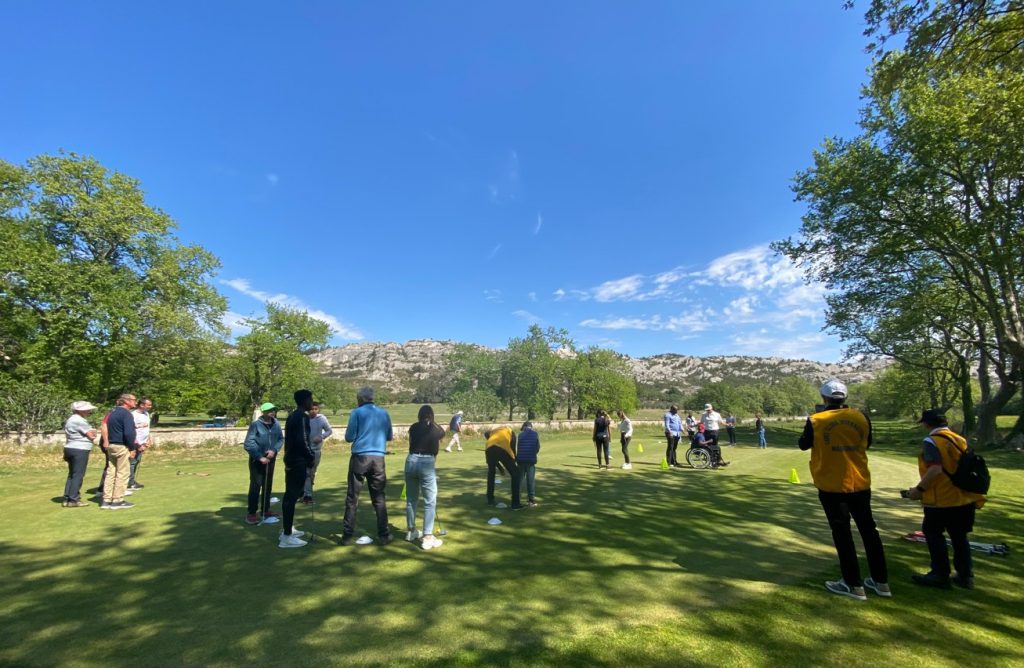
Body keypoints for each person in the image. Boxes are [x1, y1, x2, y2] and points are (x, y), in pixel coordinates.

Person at [799, 379, 889, 601]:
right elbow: (867, 443)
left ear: (824, 398)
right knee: (869, 531)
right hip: (860, 482)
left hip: (832, 484)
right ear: (845, 398)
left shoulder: (816, 420)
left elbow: (803, 444)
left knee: (842, 533)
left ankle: (854, 585)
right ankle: (882, 583)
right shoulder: (861, 417)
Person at [907, 410, 986, 589]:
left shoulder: (931, 441)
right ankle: (965, 576)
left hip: (941, 498)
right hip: (963, 497)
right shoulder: (959, 439)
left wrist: (919, 490)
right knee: (959, 537)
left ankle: (939, 574)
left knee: (933, 533)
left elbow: (935, 469)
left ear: (927, 424)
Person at [341, 386, 394, 545]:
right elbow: (390, 436)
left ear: (360, 399)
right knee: (379, 497)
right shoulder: (384, 413)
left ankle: (347, 535)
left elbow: (349, 437)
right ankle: (384, 534)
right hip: (378, 458)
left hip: (360, 457)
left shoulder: (356, 413)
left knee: (352, 497)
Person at [405, 404, 445, 550]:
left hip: (411, 460)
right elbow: (441, 435)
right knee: (430, 500)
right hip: (427, 462)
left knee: (411, 499)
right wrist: (432, 421)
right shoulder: (435, 428)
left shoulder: (413, 427)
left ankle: (411, 531)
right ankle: (428, 537)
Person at [280, 389, 315, 548]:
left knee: (291, 496)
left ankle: (287, 530)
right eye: (310, 399)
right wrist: (310, 457)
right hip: (298, 461)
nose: (311, 403)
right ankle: (286, 536)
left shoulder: (292, 415)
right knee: (291, 497)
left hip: (291, 460)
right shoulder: (302, 416)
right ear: (304, 401)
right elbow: (303, 440)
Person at [242, 402, 283, 525]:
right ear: (263, 412)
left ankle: (265, 510)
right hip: (257, 460)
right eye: (269, 410)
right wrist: (260, 457)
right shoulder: (256, 425)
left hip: (271, 459)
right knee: (256, 486)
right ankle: (251, 513)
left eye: (274, 409)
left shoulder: (276, 424)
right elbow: (248, 443)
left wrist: (274, 450)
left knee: (267, 485)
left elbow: (280, 439)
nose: (272, 411)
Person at [101, 393, 137, 510]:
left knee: (111, 472)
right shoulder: (126, 414)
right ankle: (117, 501)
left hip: (111, 445)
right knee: (122, 473)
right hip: (121, 446)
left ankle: (106, 500)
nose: (135, 402)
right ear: (126, 401)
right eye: (133, 400)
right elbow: (128, 433)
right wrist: (132, 448)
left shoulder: (112, 412)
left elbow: (104, 426)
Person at [62, 401, 98, 507]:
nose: (89, 411)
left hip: (70, 447)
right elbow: (91, 435)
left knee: (72, 474)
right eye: (87, 409)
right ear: (80, 410)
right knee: (78, 475)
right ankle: (73, 500)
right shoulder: (80, 421)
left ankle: (67, 497)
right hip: (80, 449)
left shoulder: (70, 419)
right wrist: (92, 433)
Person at [484, 425, 522, 509]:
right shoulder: (509, 431)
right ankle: (515, 504)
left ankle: (490, 500)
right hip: (502, 449)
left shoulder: (491, 436)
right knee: (516, 474)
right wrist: (514, 460)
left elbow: (494, 458)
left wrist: (501, 468)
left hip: (488, 449)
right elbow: (512, 448)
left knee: (491, 474)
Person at [303, 401, 333, 504]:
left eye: (316, 409)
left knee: (312, 473)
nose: (314, 411)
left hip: (316, 450)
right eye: (311, 409)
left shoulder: (322, 419)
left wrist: (322, 436)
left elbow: (329, 430)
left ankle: (307, 491)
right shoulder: (304, 419)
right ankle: (307, 495)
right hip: (305, 450)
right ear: (308, 409)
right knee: (306, 473)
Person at [128, 397, 153, 491]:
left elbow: (147, 428)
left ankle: (132, 481)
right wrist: (138, 444)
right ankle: (129, 483)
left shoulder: (146, 414)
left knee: (136, 462)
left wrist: (149, 438)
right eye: (148, 405)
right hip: (135, 442)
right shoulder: (133, 415)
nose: (150, 406)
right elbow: (131, 430)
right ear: (142, 405)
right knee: (132, 462)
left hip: (143, 442)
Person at [517, 421, 541, 506]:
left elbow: (519, 447)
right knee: (530, 481)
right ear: (531, 427)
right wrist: (532, 453)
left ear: (524, 427)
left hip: (520, 460)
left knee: (519, 480)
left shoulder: (520, 435)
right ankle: (531, 500)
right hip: (530, 461)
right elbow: (537, 447)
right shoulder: (535, 434)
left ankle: (517, 499)